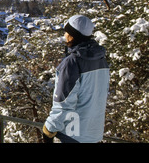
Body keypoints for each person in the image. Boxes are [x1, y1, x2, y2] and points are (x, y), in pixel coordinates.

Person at [43, 15, 110, 143]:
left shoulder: (72, 63)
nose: (64, 35)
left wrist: (50, 128)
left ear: (72, 35)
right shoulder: (101, 60)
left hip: (72, 134)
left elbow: (64, 102)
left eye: (66, 32)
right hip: (93, 133)